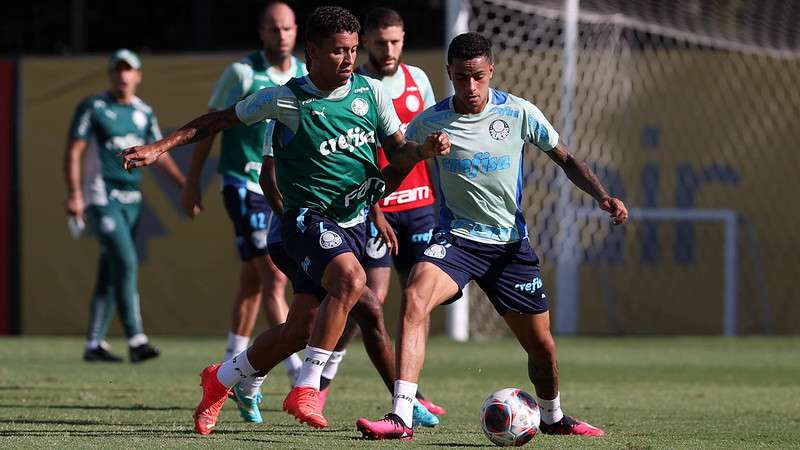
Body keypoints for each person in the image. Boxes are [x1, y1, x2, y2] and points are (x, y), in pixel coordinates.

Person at [119, 5, 450, 434]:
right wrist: (160, 147)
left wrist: (421, 151)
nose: (348, 60)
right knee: (353, 284)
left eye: (352, 50)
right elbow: (218, 121)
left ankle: (221, 380)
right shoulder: (286, 98)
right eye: (337, 51)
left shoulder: (371, 94)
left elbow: (399, 151)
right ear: (311, 51)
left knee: (301, 329)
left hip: (350, 223)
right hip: (301, 222)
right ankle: (308, 387)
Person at [356, 32, 628, 440]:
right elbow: (396, 168)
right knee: (414, 296)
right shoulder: (430, 122)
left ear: (491, 72)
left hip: (509, 246)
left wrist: (603, 196)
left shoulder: (518, 113)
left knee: (542, 347)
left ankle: (552, 416)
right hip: (457, 240)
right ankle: (401, 416)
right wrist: (375, 203)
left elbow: (567, 159)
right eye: (461, 78)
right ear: (448, 73)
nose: (470, 88)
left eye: (478, 77)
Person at [179, 1, 305, 423]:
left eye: (288, 28)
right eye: (274, 28)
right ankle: (298, 374)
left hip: (282, 189)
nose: (281, 35)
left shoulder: (305, 74)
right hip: (242, 184)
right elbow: (212, 125)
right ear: (262, 32)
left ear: (296, 31)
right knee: (274, 276)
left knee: (253, 282)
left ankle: (231, 371)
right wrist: (193, 180)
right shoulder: (241, 73)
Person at [322, 6, 445, 416]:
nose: (388, 49)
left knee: (419, 298)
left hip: (421, 207)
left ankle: (412, 390)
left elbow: (429, 140)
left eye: (395, 42)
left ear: (403, 39)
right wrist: (374, 206)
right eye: (379, 42)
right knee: (367, 298)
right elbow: (357, 154)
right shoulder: (356, 86)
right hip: (376, 207)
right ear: (367, 43)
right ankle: (322, 379)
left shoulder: (418, 80)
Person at [64, 49, 186, 363]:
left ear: (138, 75)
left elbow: (158, 152)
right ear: (110, 74)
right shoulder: (94, 106)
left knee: (111, 269)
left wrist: (184, 184)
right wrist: (75, 193)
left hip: (132, 199)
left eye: (128, 69)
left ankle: (94, 344)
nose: (123, 75)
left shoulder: (144, 112)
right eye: (117, 69)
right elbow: (74, 151)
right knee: (127, 261)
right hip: (100, 196)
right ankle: (136, 338)